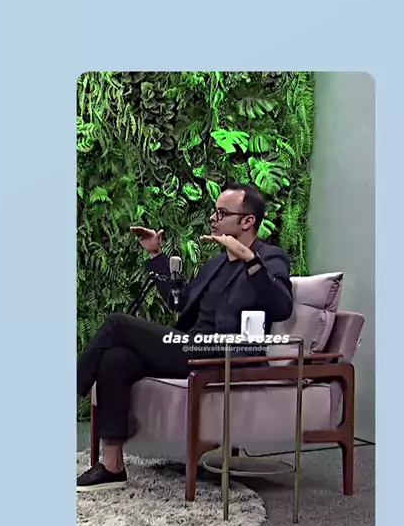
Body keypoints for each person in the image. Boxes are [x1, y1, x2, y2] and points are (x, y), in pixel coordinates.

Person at [77, 183, 293, 491]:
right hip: (191, 347)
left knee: (117, 324)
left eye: (222, 213)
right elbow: (181, 303)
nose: (213, 219)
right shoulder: (216, 263)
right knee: (116, 359)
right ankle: (112, 466)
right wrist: (156, 255)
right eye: (214, 212)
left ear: (248, 221)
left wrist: (250, 260)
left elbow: (282, 306)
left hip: (226, 353)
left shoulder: (270, 258)